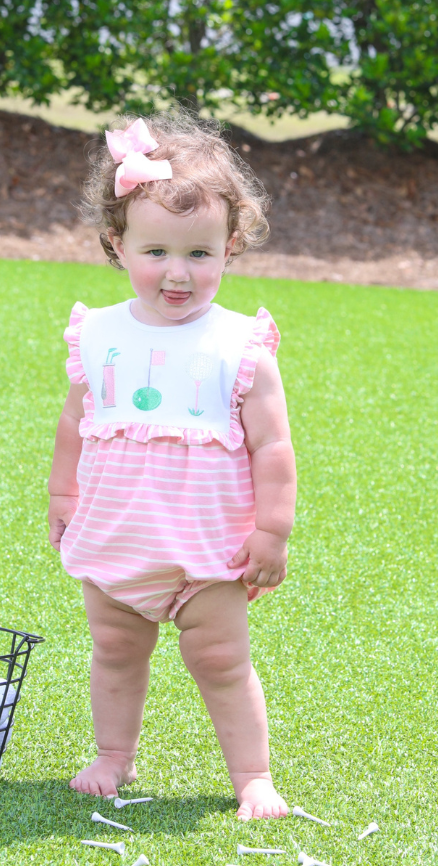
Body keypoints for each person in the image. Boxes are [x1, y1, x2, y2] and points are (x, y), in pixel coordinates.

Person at [48, 111, 297, 821]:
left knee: (220, 660)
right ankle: (113, 756)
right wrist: (62, 496)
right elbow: (75, 423)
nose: (178, 272)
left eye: (200, 253)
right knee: (115, 650)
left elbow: (273, 449)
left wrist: (272, 532)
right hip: (116, 537)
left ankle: (252, 776)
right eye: (156, 250)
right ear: (117, 244)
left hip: (210, 549)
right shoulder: (98, 333)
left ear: (230, 247)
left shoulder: (240, 346)